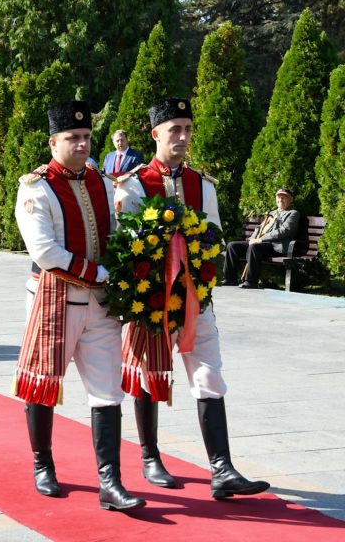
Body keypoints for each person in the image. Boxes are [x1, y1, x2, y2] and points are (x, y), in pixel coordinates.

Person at [114, 97, 270, 499]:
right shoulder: (133, 183)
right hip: (150, 303)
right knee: (150, 375)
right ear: (155, 134)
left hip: (196, 299)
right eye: (174, 130)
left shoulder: (202, 184)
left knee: (209, 375)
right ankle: (150, 457)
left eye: (187, 129)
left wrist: (202, 274)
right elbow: (124, 246)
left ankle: (222, 468)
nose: (182, 137)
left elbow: (214, 237)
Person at [13, 100, 145, 511]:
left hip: (102, 306)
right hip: (57, 301)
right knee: (44, 382)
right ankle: (42, 464)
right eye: (73, 138)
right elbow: (44, 250)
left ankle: (111, 482)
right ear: (54, 142)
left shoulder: (102, 181)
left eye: (87, 137)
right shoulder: (36, 186)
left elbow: (118, 230)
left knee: (109, 392)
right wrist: (100, 273)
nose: (82, 144)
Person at [223, 188, 300, 289]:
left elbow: (284, 231)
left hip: (276, 246)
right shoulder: (272, 213)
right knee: (232, 246)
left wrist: (261, 239)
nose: (280, 200)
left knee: (254, 247)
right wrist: (252, 238)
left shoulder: (293, 213)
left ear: (290, 200)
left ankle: (251, 281)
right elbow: (259, 228)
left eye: (284, 198)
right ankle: (230, 279)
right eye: (279, 197)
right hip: (261, 243)